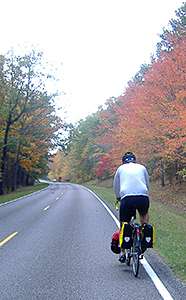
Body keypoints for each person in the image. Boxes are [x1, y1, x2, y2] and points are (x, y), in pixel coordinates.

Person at [113, 152, 150, 263]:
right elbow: (147, 183)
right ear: (134, 160)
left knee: (124, 224)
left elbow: (116, 186)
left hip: (127, 197)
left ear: (123, 161)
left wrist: (118, 197)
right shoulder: (142, 167)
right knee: (143, 214)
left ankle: (123, 253)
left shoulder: (120, 168)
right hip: (143, 196)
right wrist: (145, 193)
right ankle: (143, 233)